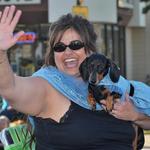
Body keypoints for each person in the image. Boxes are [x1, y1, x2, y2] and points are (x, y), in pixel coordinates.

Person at [0, 5, 150, 150]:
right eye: (59, 47)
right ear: (53, 54)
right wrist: (1, 53)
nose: (68, 52)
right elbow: (10, 89)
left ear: (90, 49)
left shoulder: (110, 83)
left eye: (75, 44)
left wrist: (135, 116)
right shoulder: (47, 86)